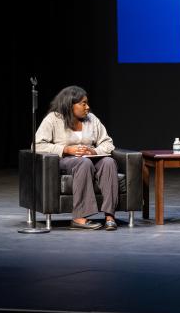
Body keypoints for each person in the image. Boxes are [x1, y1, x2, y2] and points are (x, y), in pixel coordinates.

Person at [35, 86, 119, 230]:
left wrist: (93, 151)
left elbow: (107, 142)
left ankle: (110, 216)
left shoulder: (92, 119)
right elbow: (37, 145)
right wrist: (66, 149)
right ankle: (79, 218)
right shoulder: (54, 119)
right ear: (70, 104)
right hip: (65, 160)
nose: (88, 107)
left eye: (87, 103)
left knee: (109, 162)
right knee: (83, 163)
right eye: (83, 103)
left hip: (90, 158)